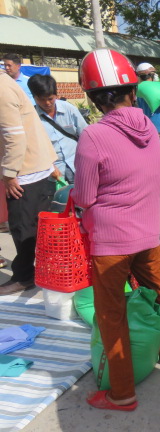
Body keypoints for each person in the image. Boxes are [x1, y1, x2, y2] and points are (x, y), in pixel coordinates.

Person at [72, 49, 160, 411]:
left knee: (112, 314)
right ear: (133, 91)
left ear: (94, 99)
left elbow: (85, 196)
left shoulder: (93, 136)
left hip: (110, 243)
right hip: (148, 235)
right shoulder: (150, 129)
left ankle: (121, 394)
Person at [0, 64, 57, 295]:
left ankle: (24, 277)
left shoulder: (2, 89)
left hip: (25, 171)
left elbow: (14, 136)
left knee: (23, 228)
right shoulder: (5, 84)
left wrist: (9, 174)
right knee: (33, 227)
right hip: (33, 167)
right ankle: (40, 271)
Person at [27, 74, 87, 183]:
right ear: (34, 97)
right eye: (41, 99)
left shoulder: (69, 109)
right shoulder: (31, 117)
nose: (47, 103)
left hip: (78, 164)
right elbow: (33, 148)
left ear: (56, 95)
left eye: (50, 99)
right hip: (54, 172)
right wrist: (49, 166)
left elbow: (86, 134)